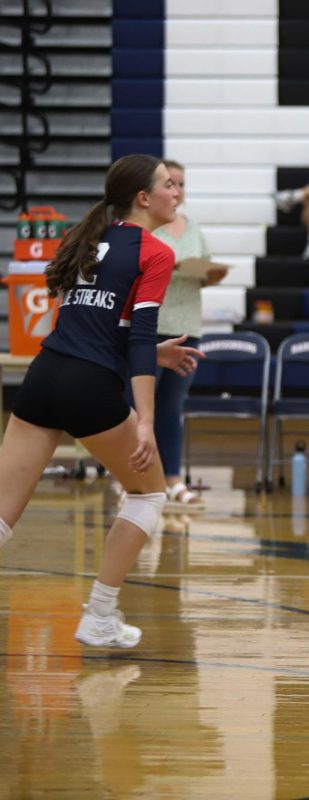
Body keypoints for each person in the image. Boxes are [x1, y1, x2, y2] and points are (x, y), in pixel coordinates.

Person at [0, 154, 203, 648]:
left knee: (2, 512)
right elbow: (135, 338)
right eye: (167, 185)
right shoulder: (154, 251)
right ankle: (100, 615)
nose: (175, 192)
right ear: (143, 198)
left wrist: (153, 353)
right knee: (150, 494)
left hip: (46, 376)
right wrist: (146, 420)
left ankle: (102, 617)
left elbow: (96, 327)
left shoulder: (85, 237)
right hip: (90, 386)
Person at [150, 159, 226, 509]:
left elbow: (206, 266)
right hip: (150, 328)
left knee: (171, 408)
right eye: (170, 184)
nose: (177, 191)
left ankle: (173, 479)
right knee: (140, 408)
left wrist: (209, 273)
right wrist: (170, 267)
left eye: (181, 184)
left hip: (187, 328)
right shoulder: (148, 228)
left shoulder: (193, 227)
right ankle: (135, 480)